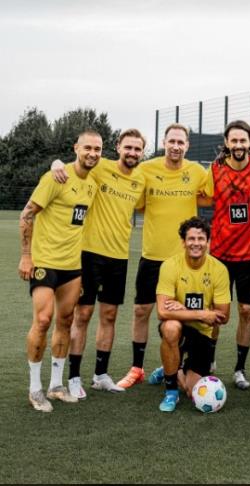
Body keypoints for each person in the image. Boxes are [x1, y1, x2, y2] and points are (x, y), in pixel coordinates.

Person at [51, 129, 147, 398]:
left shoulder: (141, 178)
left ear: (142, 153)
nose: (132, 153)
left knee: (110, 315)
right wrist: (56, 163)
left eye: (137, 149)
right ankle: (73, 377)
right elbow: (71, 167)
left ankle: (100, 375)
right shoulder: (99, 166)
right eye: (128, 147)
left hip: (119, 257)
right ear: (117, 147)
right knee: (82, 315)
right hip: (89, 254)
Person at [117, 123, 208, 389]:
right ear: (164, 143)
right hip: (153, 256)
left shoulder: (197, 172)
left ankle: (179, 366)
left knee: (182, 316)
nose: (176, 146)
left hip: (185, 261)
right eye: (172, 141)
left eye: (181, 142)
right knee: (142, 310)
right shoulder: (146, 169)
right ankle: (137, 369)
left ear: (187, 146)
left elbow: (210, 196)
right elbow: (136, 197)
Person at [18, 130, 101, 412]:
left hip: (72, 266)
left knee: (66, 321)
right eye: (87, 147)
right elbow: (27, 214)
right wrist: (26, 256)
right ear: (76, 148)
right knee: (43, 320)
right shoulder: (55, 177)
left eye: (97, 149)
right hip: (44, 262)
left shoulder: (92, 183)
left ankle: (55, 385)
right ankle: (34, 389)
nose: (92, 153)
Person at [198, 120, 250, 391]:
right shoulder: (215, 169)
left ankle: (239, 369)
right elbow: (203, 197)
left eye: (243, 141)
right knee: (218, 311)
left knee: (245, 310)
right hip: (220, 253)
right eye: (234, 141)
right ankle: (210, 360)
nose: (239, 145)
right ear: (226, 143)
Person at [152, 217, 231, 412]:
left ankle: (171, 368)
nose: (196, 243)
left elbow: (223, 316)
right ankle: (170, 391)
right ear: (183, 242)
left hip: (203, 335)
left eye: (201, 239)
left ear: (207, 242)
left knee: (192, 390)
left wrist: (182, 309)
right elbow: (162, 312)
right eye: (191, 239)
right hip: (179, 327)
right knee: (170, 327)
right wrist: (201, 314)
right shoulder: (170, 266)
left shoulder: (219, 270)